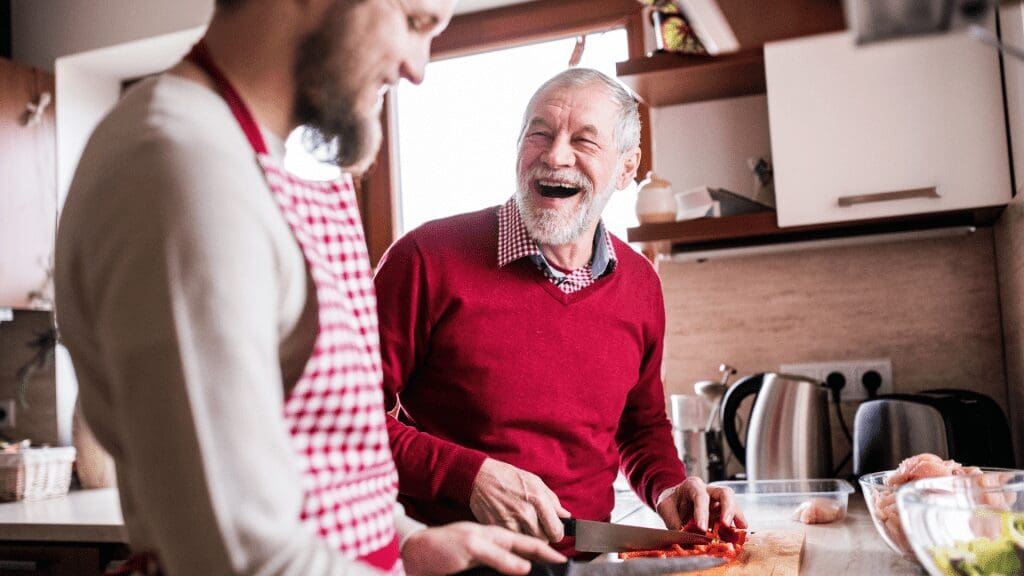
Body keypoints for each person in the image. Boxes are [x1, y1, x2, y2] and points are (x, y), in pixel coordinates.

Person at [54, 0, 566, 575]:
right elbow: (238, 556)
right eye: (416, 22)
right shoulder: (184, 168)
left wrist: (403, 544)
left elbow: (307, 460)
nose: (417, 67)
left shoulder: (238, 156)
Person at [374, 68, 745, 548]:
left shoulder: (641, 285)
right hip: (447, 561)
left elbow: (641, 426)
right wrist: (468, 477)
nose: (555, 156)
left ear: (627, 167)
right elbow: (344, 419)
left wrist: (668, 487)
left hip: (587, 560)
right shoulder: (425, 258)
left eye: (585, 141)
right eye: (539, 134)